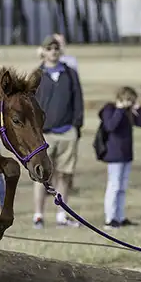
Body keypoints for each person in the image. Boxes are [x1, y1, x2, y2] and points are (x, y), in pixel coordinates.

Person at [33, 35, 84, 229]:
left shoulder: (70, 73)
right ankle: (38, 215)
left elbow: (78, 100)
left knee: (64, 175)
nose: (53, 52)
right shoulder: (37, 74)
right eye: (49, 48)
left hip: (67, 131)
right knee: (41, 176)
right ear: (43, 51)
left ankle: (62, 215)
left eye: (55, 48)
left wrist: (76, 126)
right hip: (44, 134)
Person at [99, 86, 141, 228]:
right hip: (115, 154)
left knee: (122, 187)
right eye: (129, 100)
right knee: (114, 186)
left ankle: (120, 217)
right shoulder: (109, 109)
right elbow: (110, 126)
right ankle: (110, 218)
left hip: (126, 154)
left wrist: (138, 109)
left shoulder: (129, 112)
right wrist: (120, 110)